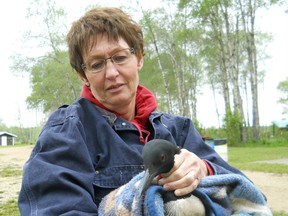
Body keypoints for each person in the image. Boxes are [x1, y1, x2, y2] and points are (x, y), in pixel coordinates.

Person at [18, 7, 260, 215]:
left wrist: (203, 169)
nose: (111, 73)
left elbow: (248, 196)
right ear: (83, 75)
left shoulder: (179, 129)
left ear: (139, 58)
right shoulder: (67, 132)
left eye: (120, 57)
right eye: (97, 64)